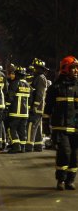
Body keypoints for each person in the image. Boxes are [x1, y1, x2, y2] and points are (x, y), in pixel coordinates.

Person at [44, 56, 78, 190]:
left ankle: (70, 180)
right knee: (65, 152)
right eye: (73, 68)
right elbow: (48, 107)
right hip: (61, 126)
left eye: (76, 68)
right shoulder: (55, 87)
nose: (76, 71)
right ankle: (61, 180)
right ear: (65, 69)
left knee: (74, 155)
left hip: (75, 127)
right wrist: (46, 124)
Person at [5, 66, 30, 153]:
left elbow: (10, 97)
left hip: (15, 112)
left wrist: (6, 106)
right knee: (22, 130)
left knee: (12, 128)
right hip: (25, 113)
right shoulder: (28, 85)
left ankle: (16, 146)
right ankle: (22, 147)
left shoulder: (15, 83)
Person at [26, 58, 49, 152]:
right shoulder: (39, 78)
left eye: (36, 67)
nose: (34, 69)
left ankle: (29, 145)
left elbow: (40, 94)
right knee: (38, 126)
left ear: (40, 69)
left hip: (37, 107)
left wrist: (34, 106)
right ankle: (38, 145)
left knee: (32, 125)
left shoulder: (40, 78)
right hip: (39, 107)